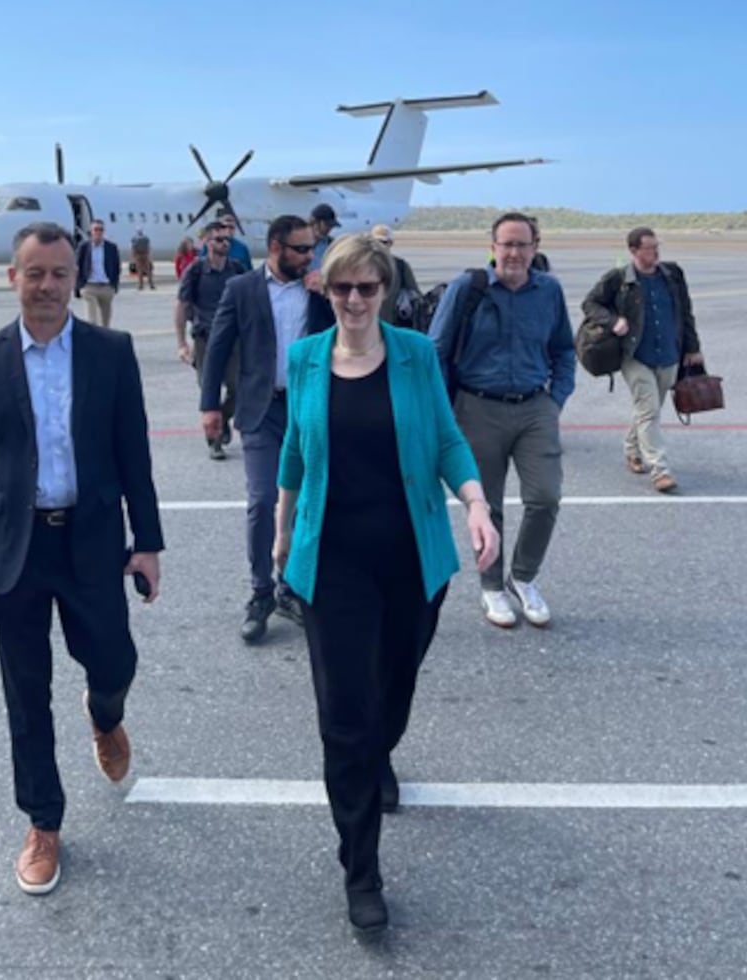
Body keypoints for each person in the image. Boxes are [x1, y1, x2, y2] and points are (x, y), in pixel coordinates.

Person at [274, 234, 498, 933]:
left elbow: (446, 440)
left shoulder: (415, 354)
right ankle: (362, 873)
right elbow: (293, 452)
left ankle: (381, 752)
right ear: (328, 291)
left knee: (391, 696)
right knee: (345, 719)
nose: (354, 300)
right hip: (331, 564)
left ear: (386, 291)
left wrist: (477, 502)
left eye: (367, 288)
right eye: (342, 288)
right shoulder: (306, 358)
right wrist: (281, 534)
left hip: (410, 559)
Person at [0, 221, 163, 896]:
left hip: (92, 539)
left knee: (114, 661)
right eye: (34, 273)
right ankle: (43, 821)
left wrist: (148, 541)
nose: (47, 286)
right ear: (12, 277)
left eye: (59, 274)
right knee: (25, 693)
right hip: (13, 546)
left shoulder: (111, 350)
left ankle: (104, 713)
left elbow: (135, 450)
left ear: (77, 278)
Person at [429, 212, 575, 629]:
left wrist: (555, 400)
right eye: (506, 244)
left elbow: (565, 349)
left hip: (534, 407)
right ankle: (491, 586)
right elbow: (436, 349)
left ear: (535, 247)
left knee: (545, 496)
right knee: (486, 505)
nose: (513, 252)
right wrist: (445, 409)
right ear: (492, 246)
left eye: (522, 244)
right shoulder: (467, 288)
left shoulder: (548, 291)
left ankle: (523, 577)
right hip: (478, 407)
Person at [199, 214, 334, 644]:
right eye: (301, 248)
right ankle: (261, 592)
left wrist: (330, 295)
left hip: (309, 408)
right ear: (275, 247)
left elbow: (355, 331)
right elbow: (218, 346)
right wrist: (209, 406)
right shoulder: (242, 289)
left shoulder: (319, 290)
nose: (309, 255)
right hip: (261, 408)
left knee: (308, 501)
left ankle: (291, 585)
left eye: (311, 248)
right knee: (262, 500)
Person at [581, 227, 703, 493]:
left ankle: (632, 449)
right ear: (634, 251)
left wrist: (693, 347)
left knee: (650, 410)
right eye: (649, 247)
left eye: (657, 246)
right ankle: (660, 470)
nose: (655, 251)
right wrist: (614, 322)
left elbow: (685, 311)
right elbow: (590, 304)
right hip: (635, 355)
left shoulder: (672, 274)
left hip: (669, 353)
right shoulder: (619, 278)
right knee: (649, 411)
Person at [174, 220, 245, 460]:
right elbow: (182, 306)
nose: (225, 243)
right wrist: (182, 343)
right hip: (205, 338)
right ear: (206, 241)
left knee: (238, 388)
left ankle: (223, 418)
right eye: (219, 239)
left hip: (234, 339)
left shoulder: (237, 269)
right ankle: (214, 441)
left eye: (228, 239)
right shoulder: (195, 271)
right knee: (209, 389)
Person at [370, 223, 421, 328]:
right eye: (376, 242)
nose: (380, 245)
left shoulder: (400, 266)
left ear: (390, 243)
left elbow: (415, 294)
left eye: (384, 242)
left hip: (393, 325)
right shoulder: (361, 265)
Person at [75, 219, 121, 327]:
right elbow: (77, 266)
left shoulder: (111, 248)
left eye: (101, 229)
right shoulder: (84, 247)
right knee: (92, 319)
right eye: (96, 229)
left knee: (105, 322)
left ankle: (103, 340)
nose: (98, 232)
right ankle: (92, 339)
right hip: (89, 286)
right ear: (91, 231)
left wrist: (114, 286)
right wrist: (79, 286)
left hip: (106, 287)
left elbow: (116, 267)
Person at [309, 203, 340, 268]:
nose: (329, 229)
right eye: (326, 225)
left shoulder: (331, 244)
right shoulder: (298, 242)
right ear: (314, 222)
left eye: (331, 226)